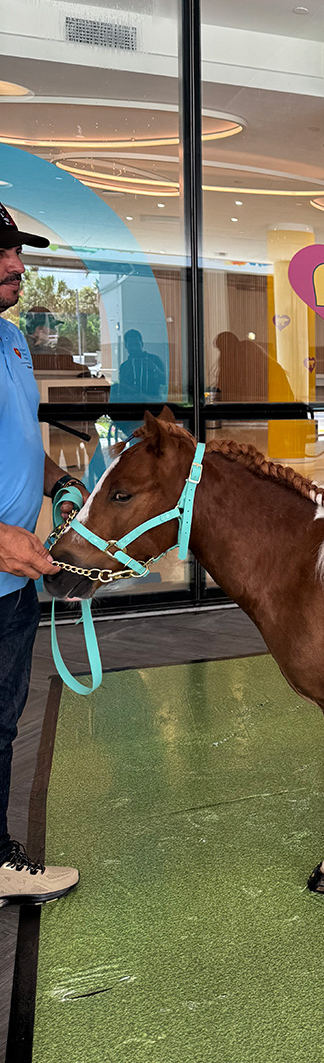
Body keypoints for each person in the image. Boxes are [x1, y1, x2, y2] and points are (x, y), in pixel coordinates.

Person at [0, 204, 83, 904]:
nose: (15, 266)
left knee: (3, 722)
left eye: (16, 252)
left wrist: (60, 487)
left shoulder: (13, 341)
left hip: (13, 588)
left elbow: (25, 441)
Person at [117, 328, 166, 400]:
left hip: (153, 403)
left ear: (142, 344)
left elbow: (165, 381)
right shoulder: (124, 367)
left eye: (136, 344)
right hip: (132, 404)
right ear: (126, 346)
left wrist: (154, 369)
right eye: (130, 345)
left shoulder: (154, 360)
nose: (134, 348)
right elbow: (123, 389)